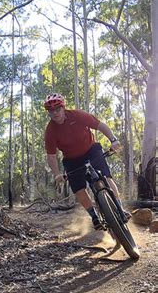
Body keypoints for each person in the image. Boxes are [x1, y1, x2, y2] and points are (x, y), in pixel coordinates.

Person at [43, 93, 129, 230]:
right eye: (51, 111)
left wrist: (113, 140)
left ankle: (120, 208)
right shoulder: (50, 131)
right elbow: (51, 155)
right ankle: (94, 216)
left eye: (57, 109)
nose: (55, 113)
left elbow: (100, 125)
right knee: (78, 189)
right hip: (71, 159)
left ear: (63, 108)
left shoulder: (77, 115)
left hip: (91, 149)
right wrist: (57, 174)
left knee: (106, 177)